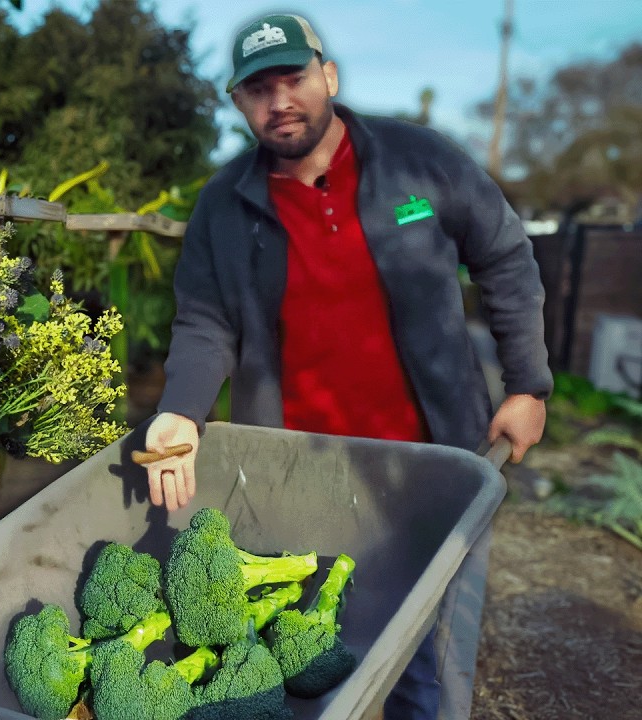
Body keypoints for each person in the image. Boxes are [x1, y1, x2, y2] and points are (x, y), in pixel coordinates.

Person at [140, 13, 550, 720]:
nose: (279, 101)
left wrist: (528, 385)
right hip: (299, 474)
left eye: (293, 78)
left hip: (434, 463)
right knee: (313, 647)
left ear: (327, 76)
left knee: (431, 660)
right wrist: (181, 407)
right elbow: (206, 322)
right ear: (238, 103)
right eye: (258, 89)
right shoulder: (224, 207)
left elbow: (506, 259)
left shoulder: (421, 161)